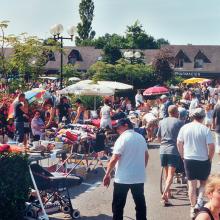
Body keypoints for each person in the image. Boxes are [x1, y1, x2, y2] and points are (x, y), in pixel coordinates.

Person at [103, 118, 149, 220]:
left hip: (123, 178)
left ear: (126, 125)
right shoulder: (141, 137)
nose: (117, 131)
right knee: (140, 204)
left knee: (118, 206)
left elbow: (115, 158)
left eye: (118, 128)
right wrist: (141, 168)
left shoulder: (122, 139)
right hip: (138, 177)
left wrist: (107, 174)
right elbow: (146, 156)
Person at [177, 108, 215, 218]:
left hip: (189, 159)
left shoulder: (185, 127)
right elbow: (211, 146)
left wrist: (182, 155)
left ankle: (193, 207)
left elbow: (179, 143)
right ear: (203, 117)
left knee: (191, 185)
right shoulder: (205, 129)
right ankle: (199, 201)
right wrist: (209, 158)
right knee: (203, 183)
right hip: (203, 159)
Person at [157, 105, 184, 206]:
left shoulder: (162, 122)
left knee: (166, 173)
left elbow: (158, 137)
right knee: (171, 175)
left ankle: (168, 193)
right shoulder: (180, 122)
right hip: (173, 150)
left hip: (163, 149)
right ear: (177, 112)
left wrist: (163, 144)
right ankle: (164, 194)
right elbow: (182, 139)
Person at [212, 99, 220, 163]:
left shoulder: (216, 107)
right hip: (218, 128)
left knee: (218, 144)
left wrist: (213, 125)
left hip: (218, 128)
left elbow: (213, 117)